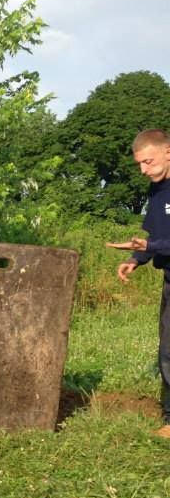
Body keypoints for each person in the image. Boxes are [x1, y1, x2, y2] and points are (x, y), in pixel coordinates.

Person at [106, 128, 170, 439]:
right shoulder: (157, 192)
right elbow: (154, 238)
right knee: (169, 351)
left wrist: (151, 248)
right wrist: (136, 258)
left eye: (148, 161)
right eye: (139, 165)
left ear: (167, 152)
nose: (144, 170)